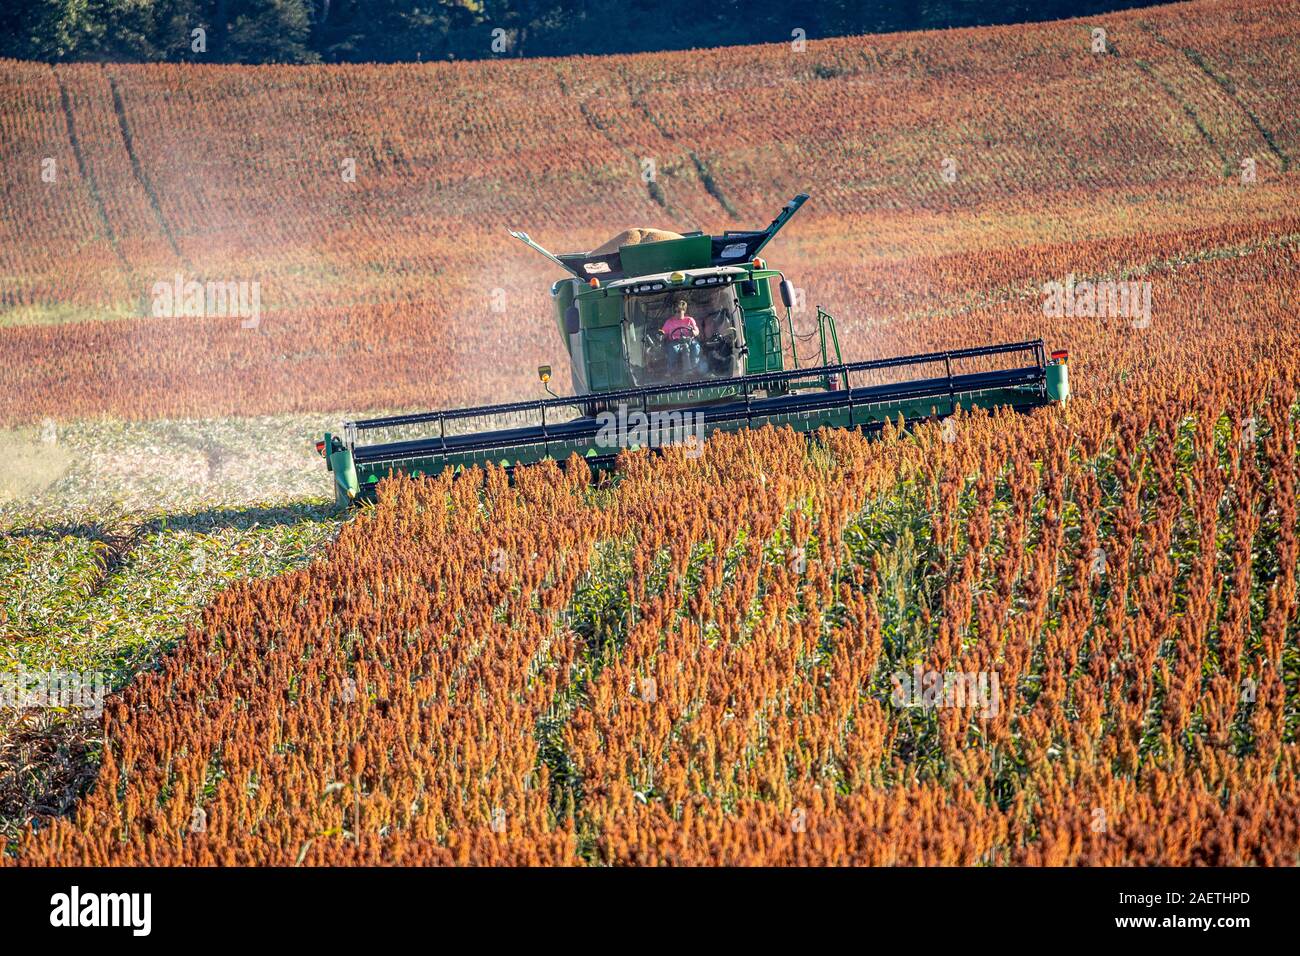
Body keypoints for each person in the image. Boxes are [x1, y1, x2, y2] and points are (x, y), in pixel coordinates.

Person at [660, 299, 701, 375]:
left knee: (696, 347)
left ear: (684, 311)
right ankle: (671, 370)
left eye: (679, 311)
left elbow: (697, 332)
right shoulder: (669, 322)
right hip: (675, 342)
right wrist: (661, 335)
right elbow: (663, 333)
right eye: (675, 312)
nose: (676, 314)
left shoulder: (689, 320)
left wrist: (693, 332)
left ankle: (695, 368)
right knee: (673, 350)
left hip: (689, 340)